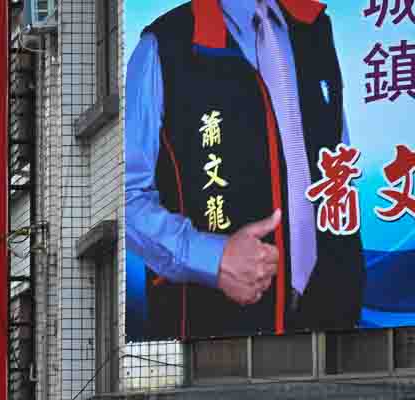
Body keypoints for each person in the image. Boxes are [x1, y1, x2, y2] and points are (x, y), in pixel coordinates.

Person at [124, 0, 361, 340]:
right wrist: (212, 258)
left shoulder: (314, 27)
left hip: (333, 325)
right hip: (214, 341)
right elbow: (123, 196)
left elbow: (339, 159)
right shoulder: (165, 46)